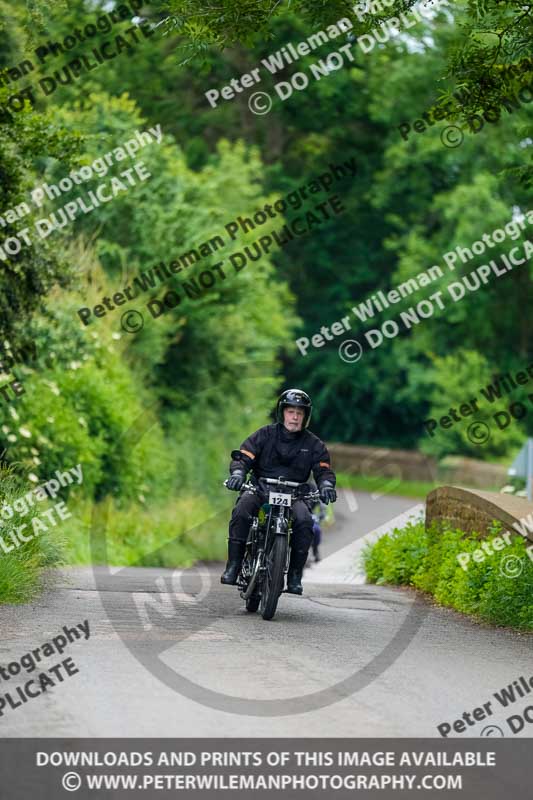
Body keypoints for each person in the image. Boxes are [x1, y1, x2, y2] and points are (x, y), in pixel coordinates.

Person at [221, 388, 337, 594]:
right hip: (261, 488)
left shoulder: (314, 444)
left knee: (305, 521)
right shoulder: (264, 434)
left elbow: (323, 470)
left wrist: (327, 486)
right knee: (241, 510)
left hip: (295, 494)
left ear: (305, 417)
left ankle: (294, 576)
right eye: (291, 411)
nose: (295, 417)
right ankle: (234, 565)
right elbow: (243, 457)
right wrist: (238, 474)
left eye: (300, 413)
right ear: (282, 412)